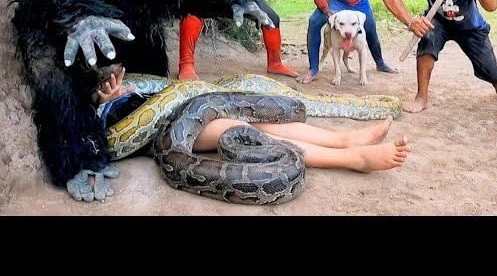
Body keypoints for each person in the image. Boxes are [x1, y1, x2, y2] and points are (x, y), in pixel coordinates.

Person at [97, 67, 411, 173]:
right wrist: (105, 102)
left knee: (258, 118)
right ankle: (353, 158)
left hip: (189, 109)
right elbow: (97, 137)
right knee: (240, 129)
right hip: (168, 132)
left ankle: (346, 139)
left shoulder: (136, 83)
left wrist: (129, 89)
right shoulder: (93, 105)